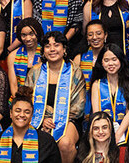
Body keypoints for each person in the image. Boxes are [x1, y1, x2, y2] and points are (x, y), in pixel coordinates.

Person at [24, 31, 84, 163]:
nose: (52, 49)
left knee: (65, 143)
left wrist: (54, 117)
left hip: (69, 119)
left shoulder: (75, 71)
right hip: (37, 119)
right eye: (47, 46)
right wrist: (42, 119)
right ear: (43, 50)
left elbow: (78, 107)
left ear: (64, 49)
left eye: (56, 45)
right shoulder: (35, 72)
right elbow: (25, 100)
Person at [0, 86, 64, 163]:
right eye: (18, 110)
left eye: (27, 112)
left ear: (32, 115)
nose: (22, 115)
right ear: (10, 113)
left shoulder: (46, 142)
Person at [89, 45, 129, 148]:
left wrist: (117, 135)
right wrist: (105, 134)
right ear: (101, 63)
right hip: (102, 128)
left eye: (114, 59)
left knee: (124, 148)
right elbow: (97, 114)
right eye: (106, 60)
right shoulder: (96, 85)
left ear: (120, 60)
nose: (110, 63)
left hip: (126, 127)